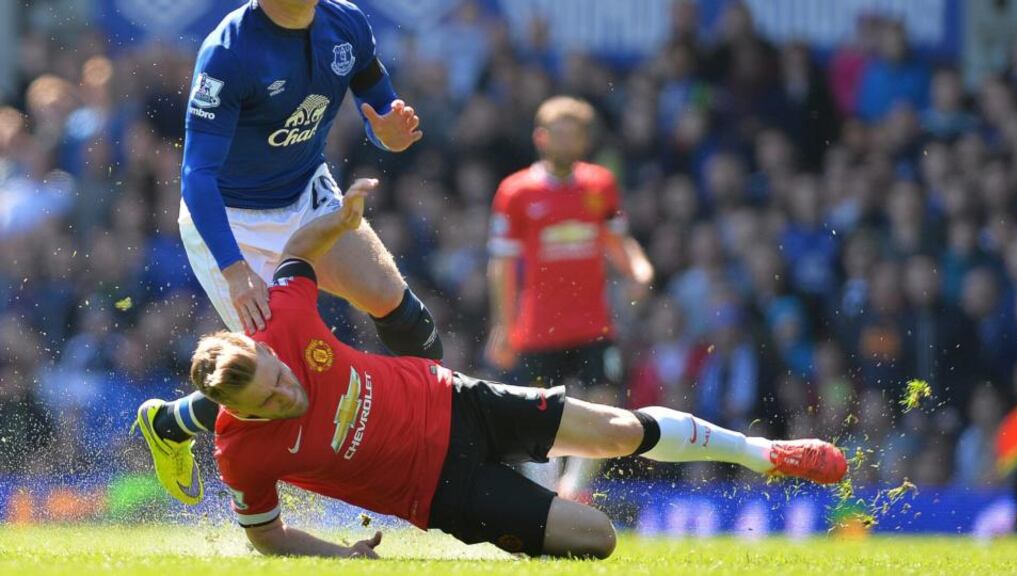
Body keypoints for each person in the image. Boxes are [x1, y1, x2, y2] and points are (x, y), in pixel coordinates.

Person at [172, 177, 848, 559]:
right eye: (272, 402)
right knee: (599, 540)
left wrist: (341, 217)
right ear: (238, 413)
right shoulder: (241, 452)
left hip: (455, 401)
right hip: (443, 492)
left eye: (280, 378)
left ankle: (764, 453)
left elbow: (297, 252)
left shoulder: (282, 325)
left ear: (266, 353)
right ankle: (531, 514)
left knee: (616, 430)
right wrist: (341, 557)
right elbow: (266, 538)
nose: (288, 393)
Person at [134, 0, 443, 507]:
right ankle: (170, 424)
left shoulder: (346, 22)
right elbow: (197, 176)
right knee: (278, 379)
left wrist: (388, 133)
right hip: (234, 220)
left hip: (307, 196)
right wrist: (235, 270)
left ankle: (447, 433)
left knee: (399, 308)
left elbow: (380, 105)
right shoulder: (228, 51)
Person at [485, 96, 654, 498]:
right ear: (540, 138)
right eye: (557, 134)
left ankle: (573, 488)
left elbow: (617, 239)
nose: (565, 142)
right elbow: (502, 265)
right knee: (537, 416)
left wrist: (639, 269)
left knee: (605, 401)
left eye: (573, 134)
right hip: (538, 329)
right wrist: (504, 326)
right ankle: (545, 498)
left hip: (593, 323)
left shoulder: (600, 185)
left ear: (584, 140)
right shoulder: (516, 192)